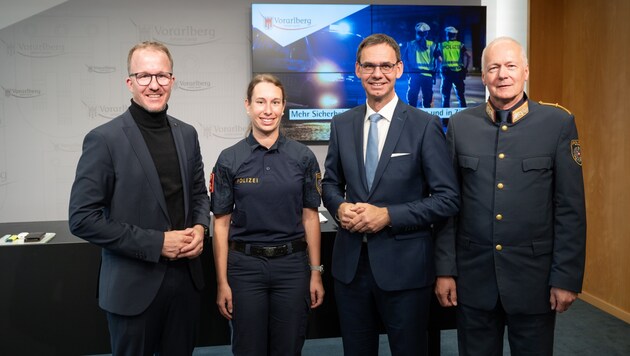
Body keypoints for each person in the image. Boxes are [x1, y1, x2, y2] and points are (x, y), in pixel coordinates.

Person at [434, 37, 587, 356]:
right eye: (493, 67)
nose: (502, 74)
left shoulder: (557, 124)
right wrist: (445, 270)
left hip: (534, 280)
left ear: (526, 71)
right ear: (484, 75)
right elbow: (449, 206)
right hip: (474, 280)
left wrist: (567, 278)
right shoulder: (461, 125)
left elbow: (570, 209)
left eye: (511, 66)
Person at [321, 33, 460, 356]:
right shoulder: (342, 124)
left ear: (399, 69)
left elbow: (447, 198)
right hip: (350, 268)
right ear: (357, 70)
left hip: (406, 269)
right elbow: (329, 184)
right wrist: (339, 207)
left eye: (385, 66)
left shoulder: (424, 126)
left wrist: (389, 216)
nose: (377, 74)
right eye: (369, 66)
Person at [68, 41, 210, 355]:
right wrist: (158, 243)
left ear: (172, 81)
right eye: (144, 76)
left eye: (162, 76)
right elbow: (82, 219)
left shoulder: (187, 134)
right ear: (130, 82)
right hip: (133, 288)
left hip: (186, 282)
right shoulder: (104, 139)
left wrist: (201, 228)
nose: (154, 85)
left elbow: (200, 195)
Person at [210, 74, 325, 356]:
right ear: (248, 105)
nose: (268, 110)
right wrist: (222, 282)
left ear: (284, 106)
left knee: (289, 347)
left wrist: (315, 274)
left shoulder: (303, 157)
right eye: (260, 102)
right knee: (248, 348)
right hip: (245, 269)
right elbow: (221, 225)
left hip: (292, 268)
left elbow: (311, 218)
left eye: (275, 102)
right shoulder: (229, 159)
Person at [403, 22, 438, 108]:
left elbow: (405, 60)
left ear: (417, 32)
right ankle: (426, 120)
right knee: (427, 101)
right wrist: (434, 72)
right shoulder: (432, 45)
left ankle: (412, 120)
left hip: (415, 75)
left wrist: (408, 72)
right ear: (426, 33)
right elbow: (438, 60)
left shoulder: (410, 44)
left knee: (412, 101)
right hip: (428, 75)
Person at [436, 26, 471, 107]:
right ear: (455, 35)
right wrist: (465, 68)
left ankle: (445, 118)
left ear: (447, 34)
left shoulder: (442, 45)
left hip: (447, 73)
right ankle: (463, 116)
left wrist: (439, 68)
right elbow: (468, 56)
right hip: (458, 73)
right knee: (461, 96)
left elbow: (439, 59)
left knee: (445, 97)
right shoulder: (460, 45)